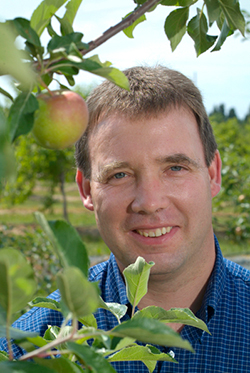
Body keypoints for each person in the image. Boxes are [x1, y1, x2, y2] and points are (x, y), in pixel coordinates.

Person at [1, 65, 250, 372]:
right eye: (120, 174)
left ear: (212, 174)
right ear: (87, 189)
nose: (150, 202)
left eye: (175, 168)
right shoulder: (28, 351)